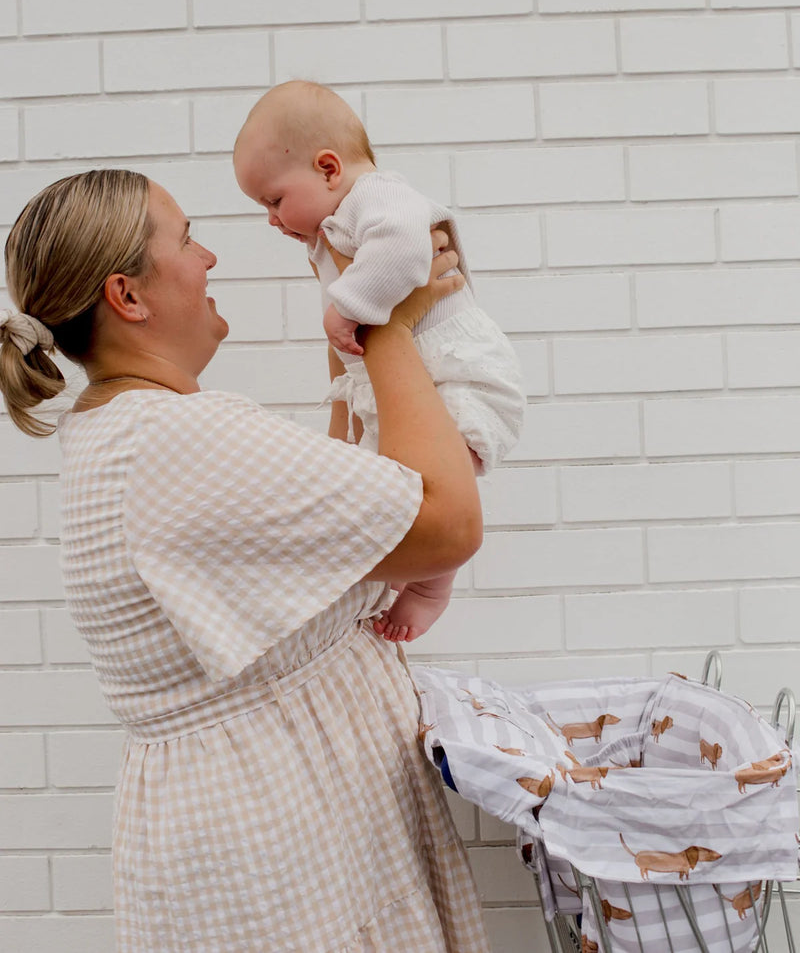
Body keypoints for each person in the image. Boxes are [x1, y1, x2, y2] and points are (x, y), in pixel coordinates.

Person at [0, 169, 491, 953]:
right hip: (281, 833)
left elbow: (338, 530)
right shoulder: (173, 439)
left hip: (259, 822)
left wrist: (352, 336)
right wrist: (392, 321)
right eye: (188, 238)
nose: (211, 258)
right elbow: (446, 522)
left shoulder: (130, 432)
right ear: (127, 295)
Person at [234, 80, 525, 642]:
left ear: (327, 169)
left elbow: (406, 247)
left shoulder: (379, 197)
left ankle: (431, 586)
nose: (271, 219)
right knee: (390, 487)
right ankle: (409, 578)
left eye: (274, 200)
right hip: (421, 370)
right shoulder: (336, 225)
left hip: (460, 369)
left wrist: (347, 305)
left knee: (436, 484)